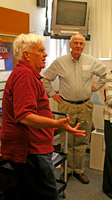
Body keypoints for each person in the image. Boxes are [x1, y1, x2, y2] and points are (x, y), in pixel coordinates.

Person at [0, 33, 86, 200]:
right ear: (27, 54)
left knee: (33, 193)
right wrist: (57, 124)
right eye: (41, 50)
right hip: (31, 150)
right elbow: (24, 116)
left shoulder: (27, 74)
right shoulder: (24, 76)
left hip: (34, 148)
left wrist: (57, 125)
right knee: (46, 195)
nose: (45, 54)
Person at [42, 33, 108, 184]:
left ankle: (78, 171)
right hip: (67, 106)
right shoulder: (60, 62)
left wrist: (96, 87)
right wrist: (52, 94)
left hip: (85, 106)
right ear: (70, 45)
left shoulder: (91, 61)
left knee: (82, 139)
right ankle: (66, 170)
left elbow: (105, 73)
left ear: (84, 46)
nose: (78, 46)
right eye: (76, 43)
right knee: (66, 139)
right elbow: (45, 78)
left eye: (81, 43)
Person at [102, 71, 112, 199]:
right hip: (110, 121)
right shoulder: (110, 75)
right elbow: (110, 99)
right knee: (111, 155)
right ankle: (108, 187)